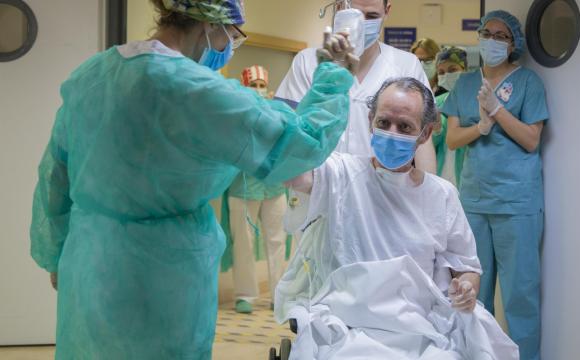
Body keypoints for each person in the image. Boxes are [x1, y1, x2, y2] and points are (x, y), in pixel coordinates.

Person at [29, 0, 359, 358]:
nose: (228, 47)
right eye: (232, 36)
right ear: (210, 24)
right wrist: (333, 75)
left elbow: (56, 177)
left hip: (87, 263)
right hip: (161, 276)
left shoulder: (90, 75)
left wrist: (56, 255)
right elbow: (301, 145)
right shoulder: (197, 91)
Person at [275, 78, 519, 359]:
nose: (392, 133)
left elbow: (467, 268)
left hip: (422, 330)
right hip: (349, 326)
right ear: (370, 121)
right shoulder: (340, 173)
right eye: (383, 123)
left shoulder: (442, 196)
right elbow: (290, 172)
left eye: (404, 127)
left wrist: (466, 288)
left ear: (425, 134)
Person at [441, 10, 549, 360]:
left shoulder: (528, 83)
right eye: (486, 32)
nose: (491, 39)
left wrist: (497, 111)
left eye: (501, 36)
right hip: (473, 202)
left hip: (516, 204)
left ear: (514, 43)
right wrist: (481, 127)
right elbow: (453, 139)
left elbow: (532, 139)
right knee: (473, 294)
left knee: (520, 297)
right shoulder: (465, 83)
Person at [276, 0, 437, 174]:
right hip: (316, 184)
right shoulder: (308, 62)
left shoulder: (406, 65)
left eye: (372, 16)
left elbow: (422, 140)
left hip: (384, 189)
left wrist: (427, 192)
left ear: (387, 11)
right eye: (354, 14)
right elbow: (287, 132)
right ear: (338, 7)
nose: (361, 23)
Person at [228, 65, 287, 314]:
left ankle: (279, 294)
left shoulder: (277, 112)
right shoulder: (235, 112)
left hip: (274, 184)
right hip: (243, 185)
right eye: (254, 86)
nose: (259, 91)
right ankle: (245, 295)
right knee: (243, 241)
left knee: (278, 240)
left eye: (262, 86)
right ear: (244, 87)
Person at [432, 47, 468, 187]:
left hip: (467, 175)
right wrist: (436, 130)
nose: (446, 75)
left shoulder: (477, 99)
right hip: (443, 172)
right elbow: (430, 145)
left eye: (452, 70)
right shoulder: (437, 102)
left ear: (464, 69)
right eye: (441, 72)